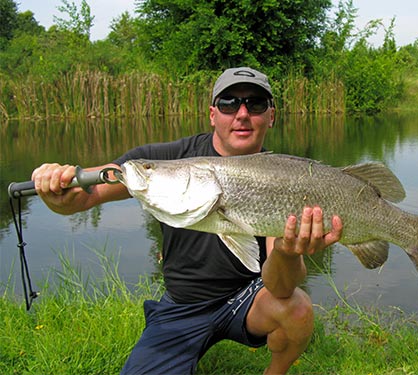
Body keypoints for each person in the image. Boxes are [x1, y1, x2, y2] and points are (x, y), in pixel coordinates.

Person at [32, 67, 343, 375]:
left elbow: (282, 287)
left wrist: (289, 252)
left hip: (248, 299)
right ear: (212, 114)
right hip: (182, 306)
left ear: (271, 116)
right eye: (228, 103)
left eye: (256, 104)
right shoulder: (164, 159)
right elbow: (85, 196)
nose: (242, 113)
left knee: (297, 308)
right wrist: (56, 189)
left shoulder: (284, 179)